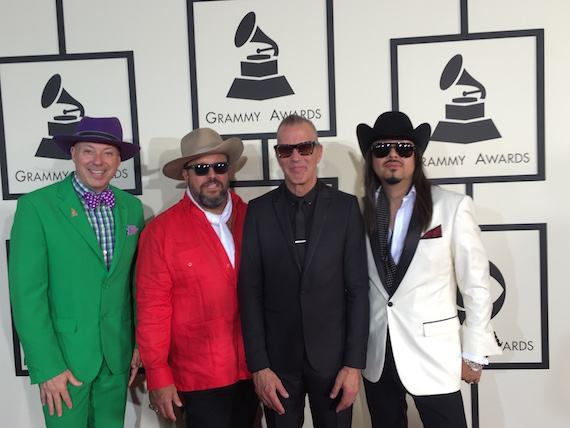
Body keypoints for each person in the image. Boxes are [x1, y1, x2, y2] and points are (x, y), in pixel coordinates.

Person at [356, 111, 502, 428]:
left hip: (435, 354)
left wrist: (475, 351)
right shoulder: (360, 212)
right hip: (379, 355)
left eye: (403, 148)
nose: (393, 155)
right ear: (372, 159)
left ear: (416, 156)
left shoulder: (452, 207)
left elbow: (476, 284)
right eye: (382, 149)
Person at [9, 116, 145, 427]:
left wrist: (137, 343)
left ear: (119, 159)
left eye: (108, 153)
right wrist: (47, 367)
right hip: (65, 363)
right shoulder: (37, 207)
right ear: (73, 154)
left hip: (117, 358)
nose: (98, 161)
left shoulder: (132, 208)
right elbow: (27, 296)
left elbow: (134, 285)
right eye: (88, 151)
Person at [238, 114, 369, 428]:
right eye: (286, 150)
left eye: (305, 147)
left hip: (334, 364)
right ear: (278, 156)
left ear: (318, 152)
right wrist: (259, 367)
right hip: (277, 367)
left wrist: (353, 365)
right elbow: (250, 292)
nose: (296, 156)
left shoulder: (346, 208)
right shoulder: (257, 211)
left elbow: (358, 291)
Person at [135, 128, 259, 428]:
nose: (212, 175)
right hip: (197, 379)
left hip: (255, 371)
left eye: (219, 167)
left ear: (228, 171)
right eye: (201, 169)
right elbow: (152, 310)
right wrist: (157, 375)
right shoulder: (160, 233)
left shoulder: (256, 218)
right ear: (185, 175)